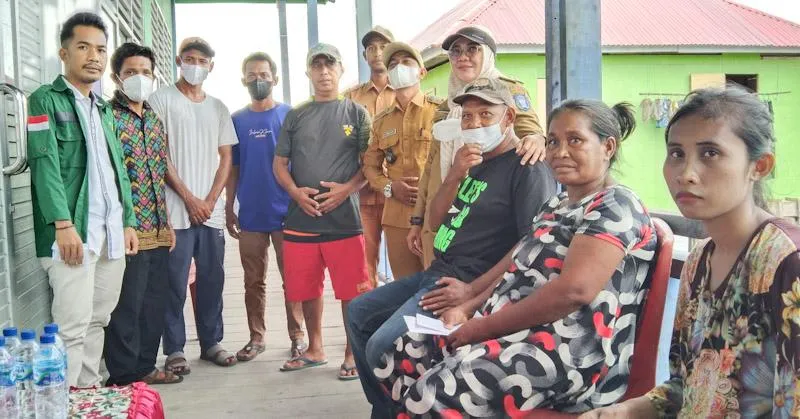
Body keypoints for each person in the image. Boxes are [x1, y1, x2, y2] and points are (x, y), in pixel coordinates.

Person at [376, 97, 657, 417]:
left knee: (431, 394)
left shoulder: (615, 204)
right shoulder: (558, 204)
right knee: (397, 357)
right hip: (510, 329)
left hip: (564, 352)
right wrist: (467, 307)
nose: (560, 151)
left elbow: (572, 292)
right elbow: (516, 260)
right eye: (552, 141)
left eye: (575, 140)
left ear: (608, 147)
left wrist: (480, 329)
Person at [581, 87, 799, 418]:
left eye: (710, 153)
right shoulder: (698, 261)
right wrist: (622, 412)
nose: (686, 174)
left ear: (760, 166)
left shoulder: (786, 261)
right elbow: (685, 386)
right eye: (677, 153)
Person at [347, 78, 557, 417]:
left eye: (486, 115)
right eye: (468, 117)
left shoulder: (527, 167)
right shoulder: (476, 162)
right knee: (358, 313)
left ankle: (392, 409)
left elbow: (529, 245)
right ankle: (386, 406)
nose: (474, 124)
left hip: (466, 282)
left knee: (381, 346)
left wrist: (473, 292)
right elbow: (437, 220)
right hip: (438, 273)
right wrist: (454, 175)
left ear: (509, 118)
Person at [26, 12, 138, 387]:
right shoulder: (45, 100)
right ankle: (64, 403)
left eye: (101, 49)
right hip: (72, 234)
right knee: (71, 328)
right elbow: (46, 165)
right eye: (84, 47)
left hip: (109, 234)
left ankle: (88, 396)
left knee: (97, 322)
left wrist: (128, 222)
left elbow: (117, 170)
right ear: (64, 52)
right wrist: (63, 224)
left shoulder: (103, 108)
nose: (94, 56)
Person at [407, 25, 546, 269]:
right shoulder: (446, 107)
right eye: (456, 51)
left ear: (488, 55)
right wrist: (418, 220)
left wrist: (537, 138)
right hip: (440, 213)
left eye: (473, 49)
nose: (463, 57)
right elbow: (430, 167)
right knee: (434, 281)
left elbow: (531, 131)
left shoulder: (507, 91)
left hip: (479, 216)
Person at [273, 43, 374, 380]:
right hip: (302, 218)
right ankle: (314, 349)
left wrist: (346, 190)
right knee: (306, 290)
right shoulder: (295, 115)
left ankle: (351, 352)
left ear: (341, 69)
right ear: (308, 73)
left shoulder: (357, 113)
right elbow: (280, 163)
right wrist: (294, 192)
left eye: (330, 65)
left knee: (352, 292)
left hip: (344, 220)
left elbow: (368, 165)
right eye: (317, 66)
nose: (324, 72)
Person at [148, 37, 238, 374]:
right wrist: (189, 198)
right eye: (189, 58)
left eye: (202, 60)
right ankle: (174, 349)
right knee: (174, 282)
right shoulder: (161, 100)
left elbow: (226, 156)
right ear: (178, 60)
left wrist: (212, 200)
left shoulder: (217, 107)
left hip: (210, 214)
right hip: (176, 211)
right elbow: (161, 153)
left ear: (211, 66)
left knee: (212, 279)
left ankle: (211, 342)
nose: (195, 65)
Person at [104, 42, 181, 386]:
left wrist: (167, 225)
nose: (139, 78)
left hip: (159, 231)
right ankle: (123, 374)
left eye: (146, 72)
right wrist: (122, 223)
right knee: (127, 307)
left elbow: (160, 172)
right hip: (128, 230)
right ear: (116, 76)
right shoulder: (108, 117)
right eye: (132, 72)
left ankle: (147, 366)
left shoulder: (153, 117)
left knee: (154, 304)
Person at [225, 52, 307, 362]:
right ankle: (256, 337)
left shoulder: (290, 116)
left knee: (294, 279)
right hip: (251, 215)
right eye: (252, 75)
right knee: (252, 280)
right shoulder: (236, 120)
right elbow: (232, 167)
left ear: (274, 78)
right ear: (243, 79)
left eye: (263, 74)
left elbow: (301, 163)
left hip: (288, 213)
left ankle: (297, 336)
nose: (258, 80)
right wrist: (229, 206)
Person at [363, 42, 443, 279]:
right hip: (397, 217)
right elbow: (370, 166)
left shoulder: (442, 111)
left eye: (407, 62)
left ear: (422, 71)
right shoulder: (381, 121)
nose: (399, 68)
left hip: (435, 215)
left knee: (437, 286)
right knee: (403, 289)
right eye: (394, 64)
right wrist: (389, 187)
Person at [343, 25, 396, 286]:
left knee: (405, 266)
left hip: (398, 192)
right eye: (371, 48)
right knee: (364, 271)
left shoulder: (406, 93)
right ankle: (369, 326)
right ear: (365, 56)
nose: (377, 53)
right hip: (363, 193)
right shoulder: (351, 98)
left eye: (383, 47)